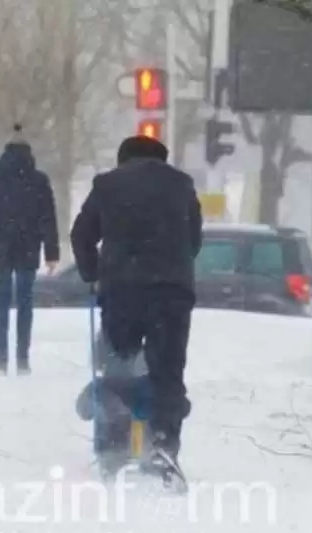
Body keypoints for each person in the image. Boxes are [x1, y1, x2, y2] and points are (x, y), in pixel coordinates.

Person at [70, 135, 202, 488]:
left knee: (119, 365)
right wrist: (170, 263)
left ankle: (114, 446)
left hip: (121, 289)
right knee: (167, 372)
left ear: (123, 158)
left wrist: (93, 273)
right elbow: (195, 240)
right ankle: (162, 444)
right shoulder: (182, 185)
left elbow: (80, 235)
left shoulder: (107, 185)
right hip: (171, 293)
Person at [0, 124, 59, 375]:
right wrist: (51, 253)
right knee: (25, 303)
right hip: (28, 248)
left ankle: (1, 360)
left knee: (1, 303)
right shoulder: (39, 180)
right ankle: (22, 359)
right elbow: (48, 218)